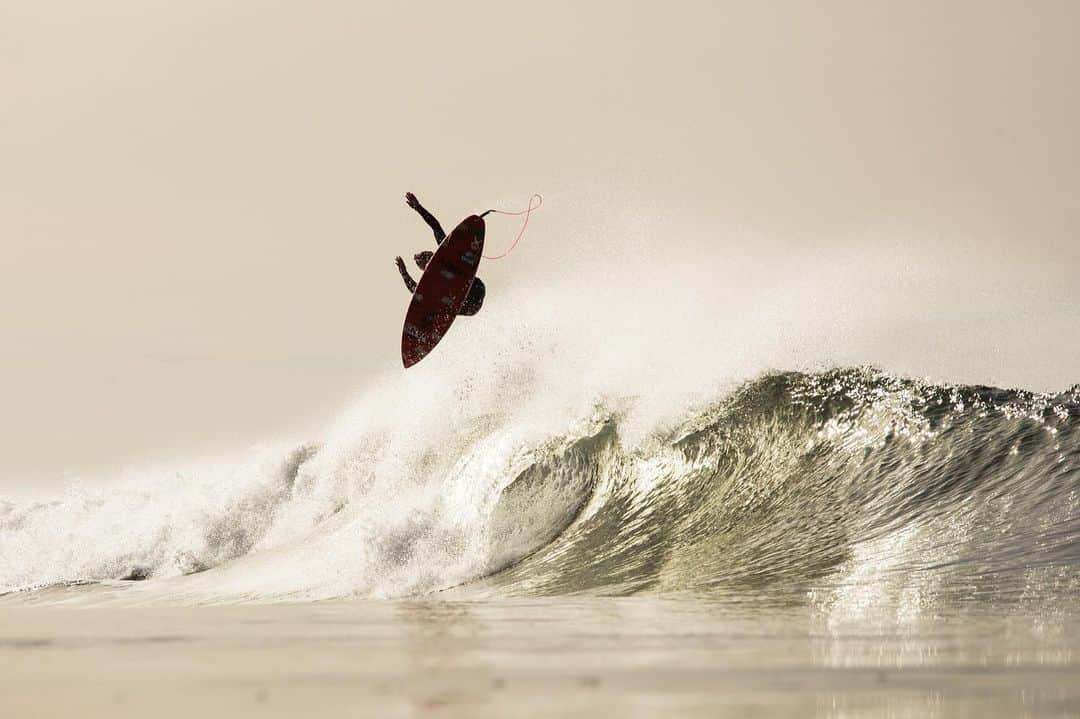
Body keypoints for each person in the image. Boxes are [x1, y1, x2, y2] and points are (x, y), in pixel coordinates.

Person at [395, 192, 486, 316]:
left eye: (425, 257)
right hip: (467, 307)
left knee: (446, 281)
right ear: (423, 269)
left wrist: (419, 208)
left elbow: (435, 226)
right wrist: (404, 273)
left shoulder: (447, 254)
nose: (424, 260)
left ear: (433, 253)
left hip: (476, 289)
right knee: (435, 298)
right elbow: (416, 291)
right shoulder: (430, 282)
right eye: (422, 261)